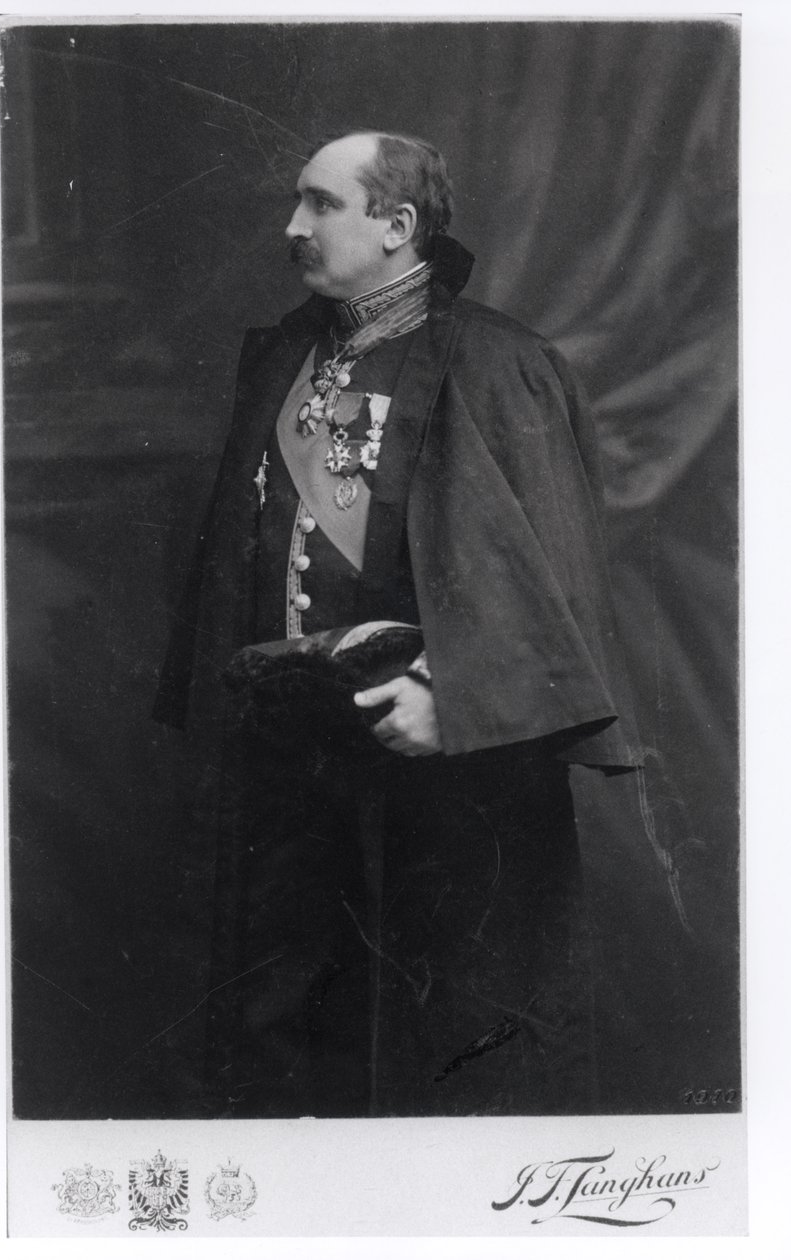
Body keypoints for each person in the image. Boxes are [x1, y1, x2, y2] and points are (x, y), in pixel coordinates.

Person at [154, 130, 642, 1118]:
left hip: (445, 755)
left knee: (451, 1031)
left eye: (320, 203)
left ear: (396, 224)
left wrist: (451, 690)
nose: (292, 226)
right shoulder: (284, 356)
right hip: (292, 765)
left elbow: (560, 574)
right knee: (291, 1026)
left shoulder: (502, 362)